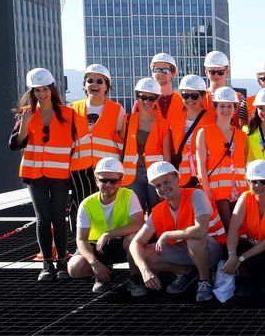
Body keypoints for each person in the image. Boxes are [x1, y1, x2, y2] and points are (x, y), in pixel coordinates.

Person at [9, 68, 90, 281]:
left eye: (45, 89)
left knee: (58, 218)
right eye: (37, 90)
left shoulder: (68, 114)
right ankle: (47, 263)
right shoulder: (26, 113)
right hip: (35, 174)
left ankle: (61, 261)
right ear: (32, 91)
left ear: (52, 89)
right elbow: (15, 144)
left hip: (60, 174)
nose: (41, 93)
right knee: (42, 219)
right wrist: (25, 124)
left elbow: (79, 144)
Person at [129, 161, 226, 301]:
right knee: (142, 254)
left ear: (177, 179)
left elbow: (201, 230)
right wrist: (144, 270)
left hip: (212, 250)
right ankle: (187, 272)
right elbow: (135, 244)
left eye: (166, 182)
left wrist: (166, 235)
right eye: (157, 185)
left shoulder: (196, 195)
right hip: (188, 252)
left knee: (194, 240)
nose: (163, 188)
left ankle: (205, 280)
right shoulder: (158, 211)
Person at [67, 157, 144, 293]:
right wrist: (94, 263)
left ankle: (135, 278)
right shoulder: (87, 204)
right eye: (103, 180)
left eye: (113, 180)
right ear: (96, 181)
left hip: (121, 244)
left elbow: (139, 223)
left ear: (120, 181)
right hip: (97, 247)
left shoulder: (129, 196)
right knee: (75, 268)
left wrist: (109, 234)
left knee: (133, 239)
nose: (108, 184)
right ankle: (102, 273)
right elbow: (81, 239)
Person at [220, 159, 265, 296]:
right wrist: (231, 256)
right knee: (227, 248)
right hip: (254, 248)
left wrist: (239, 259)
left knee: (255, 260)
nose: (258, 185)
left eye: (263, 181)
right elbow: (233, 229)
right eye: (253, 181)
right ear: (248, 183)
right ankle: (248, 279)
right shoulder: (246, 197)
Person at [68, 64, 125, 227]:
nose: (94, 84)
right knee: (82, 206)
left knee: (107, 207)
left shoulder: (117, 110)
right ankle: (81, 244)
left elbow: (124, 139)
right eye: (90, 80)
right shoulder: (73, 108)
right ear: (84, 85)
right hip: (80, 169)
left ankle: (107, 243)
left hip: (107, 169)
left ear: (106, 86)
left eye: (99, 81)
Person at [196, 86, 247, 229]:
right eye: (222, 106)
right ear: (215, 107)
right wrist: (206, 190)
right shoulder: (204, 132)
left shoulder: (241, 135)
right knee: (225, 227)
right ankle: (228, 252)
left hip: (240, 190)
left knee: (239, 228)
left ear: (235, 108)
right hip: (217, 191)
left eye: (229, 106)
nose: (226, 110)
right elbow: (201, 164)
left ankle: (236, 251)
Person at [121, 78, 173, 212]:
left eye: (151, 98)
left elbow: (167, 157)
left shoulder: (163, 124)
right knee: (134, 212)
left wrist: (166, 179)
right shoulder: (127, 120)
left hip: (156, 174)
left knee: (157, 211)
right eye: (143, 97)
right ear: (137, 97)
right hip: (132, 174)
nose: (147, 102)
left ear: (157, 99)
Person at [169, 74, 213, 188]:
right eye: (185, 95)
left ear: (203, 96)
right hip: (182, 177)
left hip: (206, 176)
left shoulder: (212, 120)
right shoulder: (175, 119)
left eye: (194, 96)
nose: (189, 99)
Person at [203, 50, 247, 126]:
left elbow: (243, 128)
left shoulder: (239, 98)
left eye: (220, 72)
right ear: (206, 72)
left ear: (227, 72)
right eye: (212, 72)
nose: (216, 76)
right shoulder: (199, 98)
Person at [149, 52, 182, 120]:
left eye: (165, 70)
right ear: (152, 74)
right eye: (157, 70)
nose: (161, 74)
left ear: (173, 73)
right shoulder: (142, 101)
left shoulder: (183, 101)